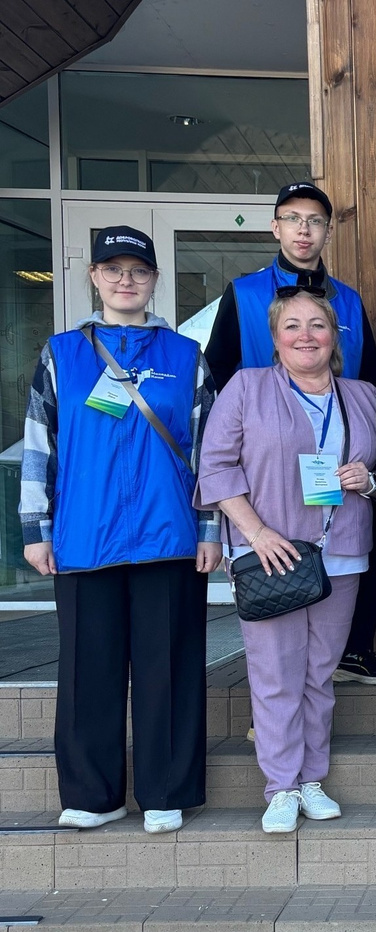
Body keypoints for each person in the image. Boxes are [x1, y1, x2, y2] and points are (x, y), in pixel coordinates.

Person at [20, 226, 220, 834]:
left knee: (169, 670)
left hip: (169, 535)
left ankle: (166, 791)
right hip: (85, 537)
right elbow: (40, 444)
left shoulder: (184, 356)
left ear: (154, 279)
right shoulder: (62, 354)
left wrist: (210, 528)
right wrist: (35, 526)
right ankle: (93, 794)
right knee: (89, 671)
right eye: (113, 269)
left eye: (137, 270)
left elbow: (209, 452)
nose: (125, 280)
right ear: (94, 277)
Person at [196, 289, 376, 833]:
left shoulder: (364, 396)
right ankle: (280, 787)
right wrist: (255, 533)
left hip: (341, 551)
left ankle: (311, 779)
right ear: (275, 338)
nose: (306, 335)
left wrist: (368, 480)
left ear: (334, 337)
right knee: (275, 671)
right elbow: (215, 466)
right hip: (268, 553)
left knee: (320, 672)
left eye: (317, 324)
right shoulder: (246, 388)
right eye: (292, 325)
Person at [205, 181, 376, 688]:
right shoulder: (244, 293)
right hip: (269, 463)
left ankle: (353, 650)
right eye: (293, 219)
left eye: (314, 221)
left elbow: (369, 383)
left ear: (329, 230)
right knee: (279, 649)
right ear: (276, 227)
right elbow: (217, 374)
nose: (303, 230)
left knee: (336, 607)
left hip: (335, 468)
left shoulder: (348, 301)